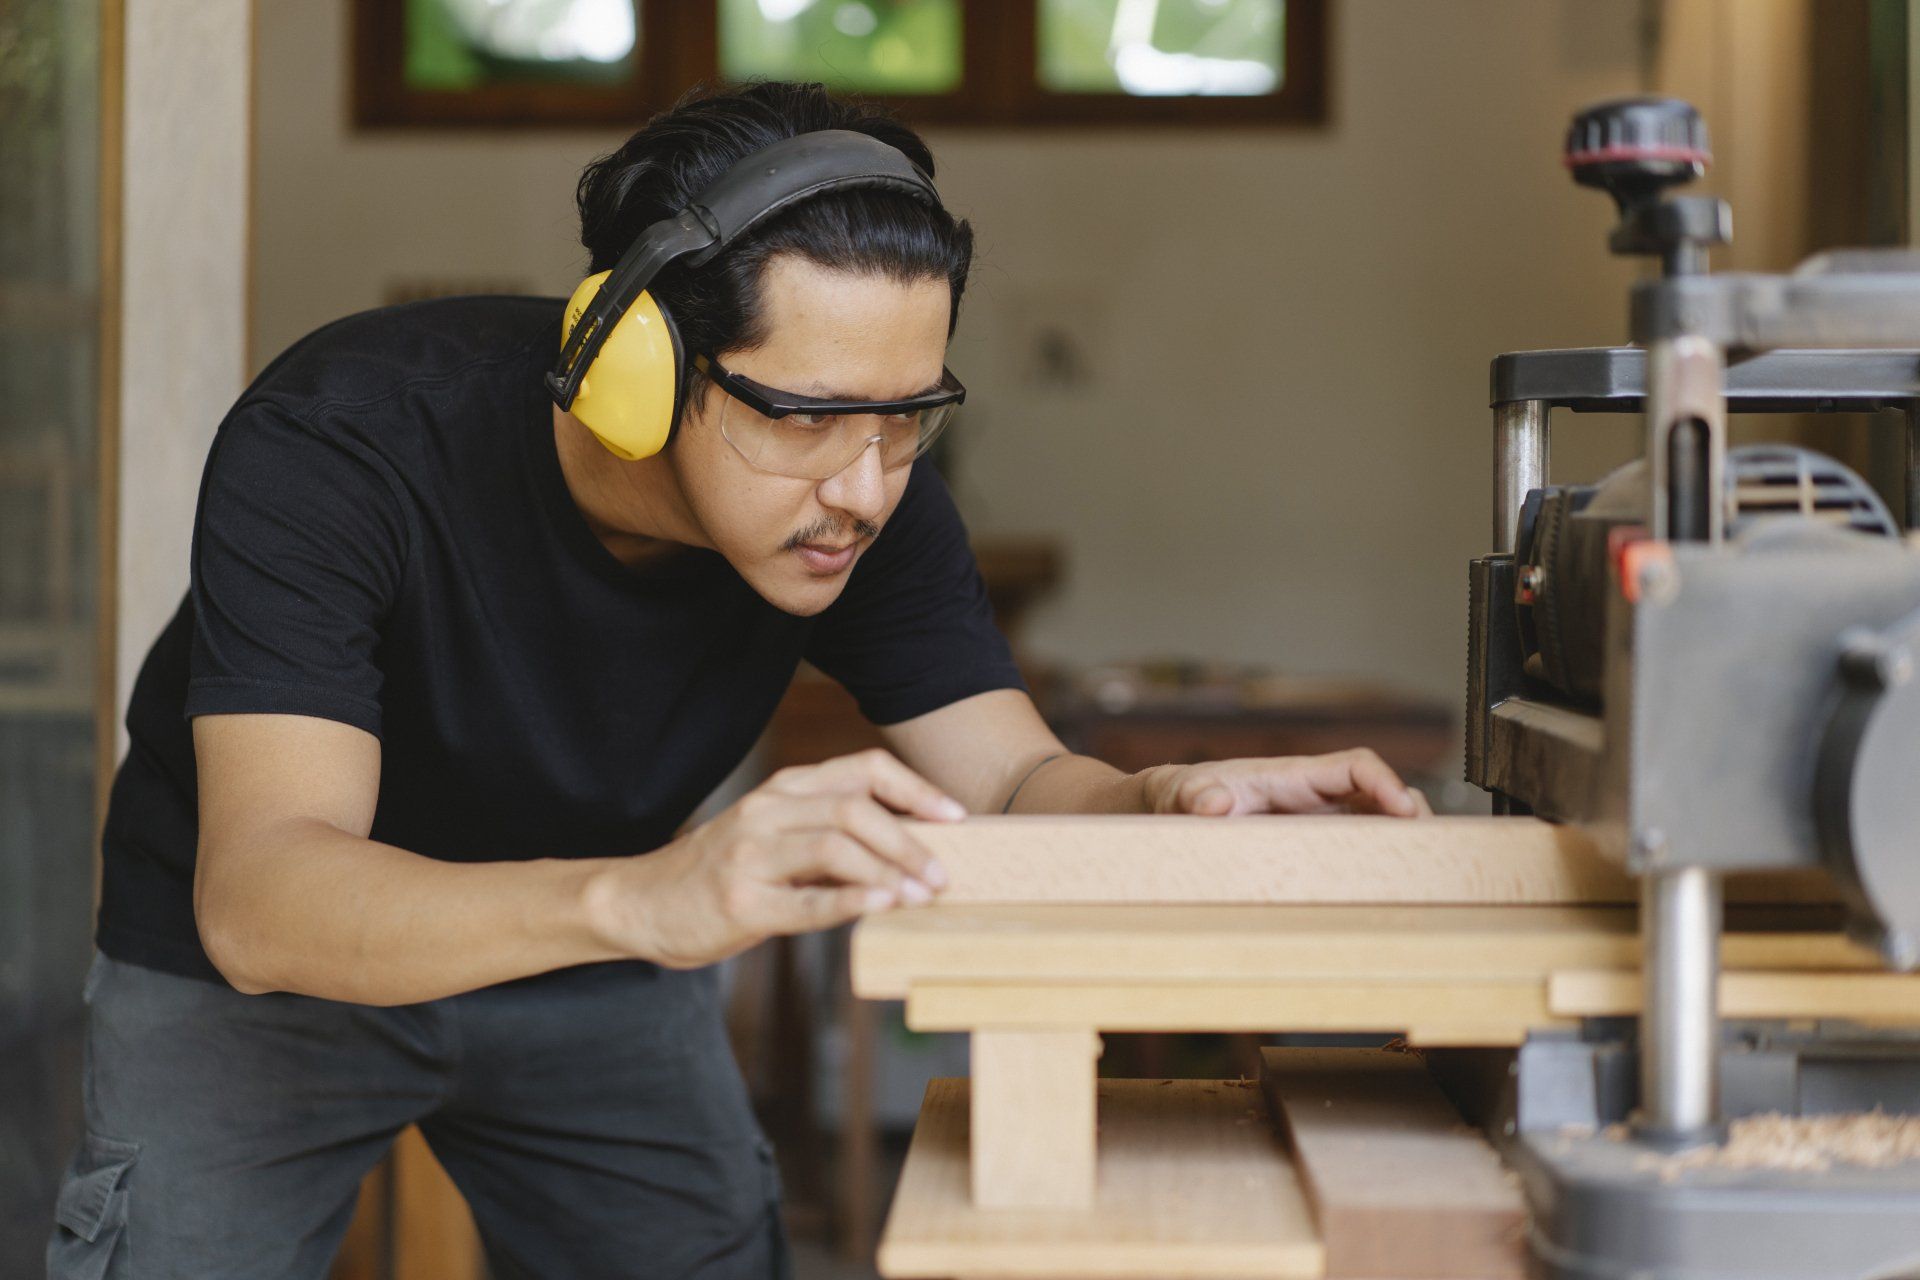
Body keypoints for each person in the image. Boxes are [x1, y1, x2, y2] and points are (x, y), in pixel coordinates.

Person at [48, 80, 1430, 1280]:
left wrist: (1166, 800)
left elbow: (1011, 778)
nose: (865, 487)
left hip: (605, 947)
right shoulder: (342, 445)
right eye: (810, 418)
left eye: (910, 417)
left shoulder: (869, 499)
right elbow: (268, 896)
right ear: (633, 369)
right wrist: (661, 892)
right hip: (264, 975)